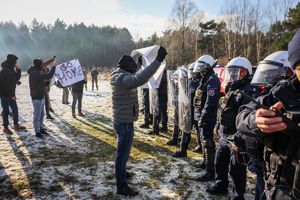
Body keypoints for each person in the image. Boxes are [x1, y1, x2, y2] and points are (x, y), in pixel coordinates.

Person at [236, 30, 300, 200]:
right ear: (294, 69)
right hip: (277, 186)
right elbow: (242, 116)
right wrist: (256, 120)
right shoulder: (280, 93)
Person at [110, 46, 167, 196]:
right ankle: (121, 186)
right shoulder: (124, 79)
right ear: (126, 68)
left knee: (123, 153)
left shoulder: (119, 76)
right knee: (122, 154)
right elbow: (139, 78)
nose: (133, 69)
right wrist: (158, 61)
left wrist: (140, 65)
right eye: (132, 67)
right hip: (124, 123)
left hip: (121, 120)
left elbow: (133, 75)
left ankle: (122, 172)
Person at [206, 57, 259, 199]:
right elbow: (223, 110)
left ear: (245, 73)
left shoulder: (249, 92)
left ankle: (237, 195)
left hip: (237, 137)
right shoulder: (231, 88)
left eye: (237, 73)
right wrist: (218, 127)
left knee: (236, 169)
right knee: (220, 161)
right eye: (231, 72)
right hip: (224, 133)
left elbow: (247, 118)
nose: (233, 76)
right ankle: (220, 184)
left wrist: (240, 140)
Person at [246, 51, 294, 200]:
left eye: (272, 74)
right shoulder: (268, 96)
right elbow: (243, 115)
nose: (267, 79)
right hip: (266, 165)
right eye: (265, 74)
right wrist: (254, 120)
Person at [193, 55, 220, 181]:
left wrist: (203, 118)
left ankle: (210, 172)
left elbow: (210, 103)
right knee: (204, 142)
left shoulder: (212, 80)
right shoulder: (204, 79)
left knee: (208, 144)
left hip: (208, 118)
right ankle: (205, 163)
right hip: (202, 116)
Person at [28, 58, 56, 138]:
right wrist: (54, 67)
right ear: (39, 65)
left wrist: (51, 60)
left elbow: (44, 66)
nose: (43, 65)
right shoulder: (35, 73)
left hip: (41, 95)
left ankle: (41, 128)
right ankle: (37, 132)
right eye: (41, 64)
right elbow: (49, 76)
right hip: (36, 97)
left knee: (41, 114)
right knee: (37, 115)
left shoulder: (35, 69)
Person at [0, 54, 26, 134]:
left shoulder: (9, 69)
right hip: (5, 95)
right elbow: (9, 83)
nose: (15, 63)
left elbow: (15, 78)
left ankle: (16, 125)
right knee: (6, 111)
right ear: (11, 62)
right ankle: (5, 127)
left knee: (14, 109)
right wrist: (12, 95)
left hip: (10, 94)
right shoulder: (5, 70)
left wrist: (18, 70)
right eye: (15, 62)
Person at [172, 66, 192, 158]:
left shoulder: (189, 84)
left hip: (187, 107)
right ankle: (182, 145)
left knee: (186, 127)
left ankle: (184, 148)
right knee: (182, 125)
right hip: (182, 105)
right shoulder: (180, 85)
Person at [148, 69, 168, 135]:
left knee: (157, 112)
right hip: (163, 95)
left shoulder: (161, 74)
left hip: (160, 95)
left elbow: (157, 85)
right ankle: (164, 126)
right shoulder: (164, 73)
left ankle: (155, 129)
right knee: (163, 112)